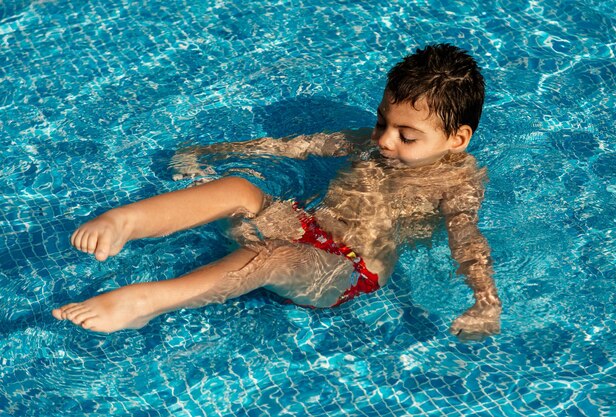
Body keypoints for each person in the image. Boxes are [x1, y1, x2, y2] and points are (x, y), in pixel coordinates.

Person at [52, 43, 502, 338]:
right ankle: (124, 221)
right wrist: (213, 152)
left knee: (273, 257)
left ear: (457, 139)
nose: (384, 139)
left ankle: (150, 302)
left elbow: (468, 242)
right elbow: (294, 147)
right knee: (238, 188)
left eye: (406, 136)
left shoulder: (457, 183)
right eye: (384, 121)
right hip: (304, 226)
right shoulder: (369, 141)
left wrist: (485, 302)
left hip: (347, 272)